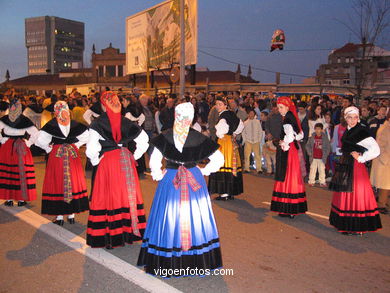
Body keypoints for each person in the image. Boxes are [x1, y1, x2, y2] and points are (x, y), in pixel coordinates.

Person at [137, 102, 224, 277]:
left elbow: (154, 161)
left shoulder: (166, 136)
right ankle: (195, 260)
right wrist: (203, 170)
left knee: (169, 216)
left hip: (171, 178)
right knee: (195, 218)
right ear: (191, 118)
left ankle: (169, 258)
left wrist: (159, 174)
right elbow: (219, 160)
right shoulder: (199, 137)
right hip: (193, 178)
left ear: (176, 116)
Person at [86, 91, 149, 248]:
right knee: (126, 196)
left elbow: (91, 149)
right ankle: (128, 232)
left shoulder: (97, 124)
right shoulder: (126, 122)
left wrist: (96, 160)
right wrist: (134, 156)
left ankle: (110, 237)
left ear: (104, 105)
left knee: (109, 197)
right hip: (125, 161)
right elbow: (144, 140)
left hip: (108, 162)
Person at [329, 106, 382, 235]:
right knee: (345, 194)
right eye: (350, 117)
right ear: (346, 118)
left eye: (355, 117)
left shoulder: (360, 131)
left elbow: (376, 149)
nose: (353, 120)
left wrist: (361, 158)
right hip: (346, 164)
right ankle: (347, 224)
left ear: (358, 118)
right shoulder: (349, 129)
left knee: (355, 195)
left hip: (355, 167)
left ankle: (357, 227)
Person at [35, 101, 89, 225]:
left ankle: (59, 217)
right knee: (73, 181)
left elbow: (39, 141)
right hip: (72, 155)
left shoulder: (51, 125)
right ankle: (71, 215)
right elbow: (87, 136)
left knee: (58, 182)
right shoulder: (75, 124)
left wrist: (49, 149)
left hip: (57, 156)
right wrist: (75, 145)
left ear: (55, 112)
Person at [270, 97, 307, 218]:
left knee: (287, 175)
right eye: (278, 107)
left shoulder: (287, 118)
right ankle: (291, 207)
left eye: (281, 107)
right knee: (292, 176)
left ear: (287, 107)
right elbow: (300, 134)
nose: (279, 109)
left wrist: (283, 143)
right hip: (293, 151)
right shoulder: (292, 116)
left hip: (288, 151)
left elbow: (290, 136)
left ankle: (288, 207)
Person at [0, 98, 38, 206]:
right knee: (12, 173)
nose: (13, 108)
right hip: (10, 147)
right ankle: (10, 198)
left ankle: (20, 198)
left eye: (15, 106)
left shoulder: (23, 120)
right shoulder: (5, 119)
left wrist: (29, 142)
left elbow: (36, 133)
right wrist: (2, 139)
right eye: (12, 106)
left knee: (19, 172)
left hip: (18, 147)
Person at [208, 97, 244, 200]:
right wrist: (234, 133)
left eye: (220, 104)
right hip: (231, 142)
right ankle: (230, 191)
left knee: (222, 164)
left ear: (225, 105)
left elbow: (221, 131)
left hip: (224, 142)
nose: (218, 106)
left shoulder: (223, 116)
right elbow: (240, 125)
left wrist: (221, 134)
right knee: (231, 165)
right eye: (216, 104)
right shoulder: (231, 114)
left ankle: (224, 193)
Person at [370, 111, 390, 214]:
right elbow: (380, 145)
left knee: (386, 185)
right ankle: (381, 204)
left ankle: (384, 202)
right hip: (384, 161)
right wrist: (385, 159)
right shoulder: (385, 129)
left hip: (386, 161)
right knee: (384, 185)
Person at [306, 123, 331, 187]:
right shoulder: (312, 137)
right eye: (316, 129)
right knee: (312, 170)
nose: (317, 130)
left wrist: (326, 154)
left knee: (322, 170)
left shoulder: (325, 138)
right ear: (314, 129)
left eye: (319, 129)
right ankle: (311, 181)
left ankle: (322, 182)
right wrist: (310, 153)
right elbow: (307, 145)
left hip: (322, 157)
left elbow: (328, 147)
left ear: (322, 130)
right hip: (313, 157)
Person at [242, 108, 263, 174]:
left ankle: (259, 168)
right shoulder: (245, 123)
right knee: (247, 155)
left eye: (252, 113)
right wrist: (245, 140)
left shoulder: (257, 122)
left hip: (256, 141)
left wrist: (259, 139)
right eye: (250, 113)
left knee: (257, 155)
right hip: (248, 140)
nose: (251, 115)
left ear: (254, 114)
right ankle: (246, 168)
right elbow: (243, 132)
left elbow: (260, 131)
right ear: (248, 114)